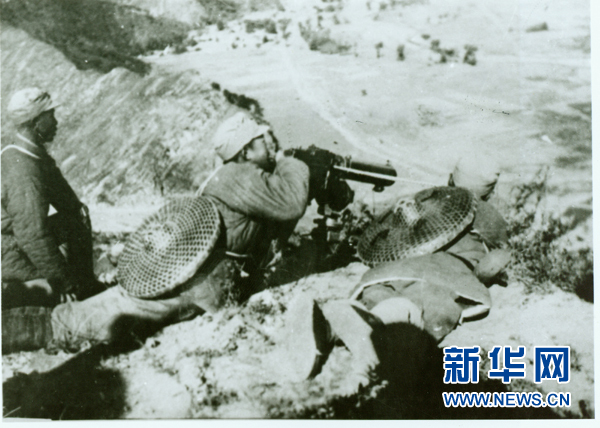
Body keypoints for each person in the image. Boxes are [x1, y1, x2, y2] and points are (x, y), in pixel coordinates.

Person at [2, 111, 310, 354]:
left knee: (100, 309)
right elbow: (292, 202)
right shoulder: (240, 175)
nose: (270, 145)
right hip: (196, 283)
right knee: (80, 321)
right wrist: (292, 163)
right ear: (246, 151)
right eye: (262, 141)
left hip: (184, 273)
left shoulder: (230, 174)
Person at [283, 154, 511, 386]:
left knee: (378, 295)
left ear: (451, 179)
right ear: (489, 191)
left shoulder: (429, 200)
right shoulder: (485, 211)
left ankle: (331, 327)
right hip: (443, 272)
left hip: (392, 268)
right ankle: (372, 351)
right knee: (424, 306)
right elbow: (498, 253)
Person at [1, 88, 97, 309]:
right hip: (10, 257)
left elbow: (71, 205)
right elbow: (32, 234)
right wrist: (63, 283)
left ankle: (84, 283)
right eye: (50, 116)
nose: (56, 122)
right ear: (35, 122)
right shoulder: (23, 171)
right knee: (64, 298)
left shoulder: (34, 158)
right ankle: (72, 289)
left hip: (20, 246)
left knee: (77, 217)